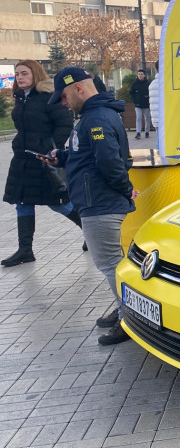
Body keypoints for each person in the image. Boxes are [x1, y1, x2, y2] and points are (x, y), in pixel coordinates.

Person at [47, 66, 137, 345]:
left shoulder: (96, 117)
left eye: (64, 96)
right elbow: (87, 154)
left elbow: (109, 162)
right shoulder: (94, 115)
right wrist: (62, 157)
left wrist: (126, 189)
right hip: (97, 200)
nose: (63, 103)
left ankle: (129, 319)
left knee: (111, 265)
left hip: (100, 202)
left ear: (78, 88)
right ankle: (125, 310)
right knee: (113, 263)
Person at [2, 60, 85, 267]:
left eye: (24, 73)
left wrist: (50, 149)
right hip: (22, 159)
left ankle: (91, 233)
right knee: (22, 201)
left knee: (58, 202)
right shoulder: (21, 98)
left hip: (43, 160)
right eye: (17, 74)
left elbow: (65, 124)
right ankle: (25, 250)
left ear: (35, 74)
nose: (20, 77)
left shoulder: (48, 97)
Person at [130, 69, 151, 140]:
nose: (140, 75)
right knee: (138, 118)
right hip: (138, 105)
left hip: (146, 104)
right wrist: (134, 101)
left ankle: (147, 131)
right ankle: (138, 132)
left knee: (147, 119)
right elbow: (131, 93)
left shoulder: (148, 83)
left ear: (144, 75)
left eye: (141, 74)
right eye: (139, 74)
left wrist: (148, 100)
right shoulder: (135, 84)